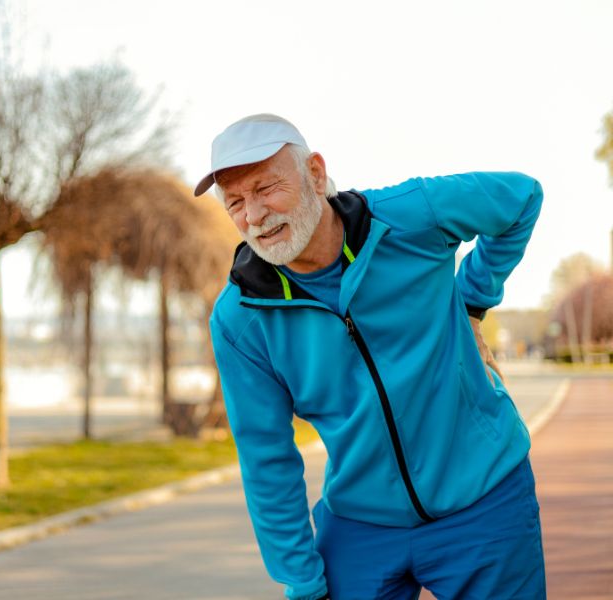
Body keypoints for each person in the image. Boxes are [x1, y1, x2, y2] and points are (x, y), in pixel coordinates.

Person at [196, 113, 545, 600]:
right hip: (359, 524)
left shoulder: (411, 215)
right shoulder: (239, 319)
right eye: (235, 202)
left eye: (266, 188)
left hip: (483, 498)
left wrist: (472, 301)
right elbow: (266, 457)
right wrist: (300, 580)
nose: (253, 215)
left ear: (315, 174)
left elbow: (521, 198)